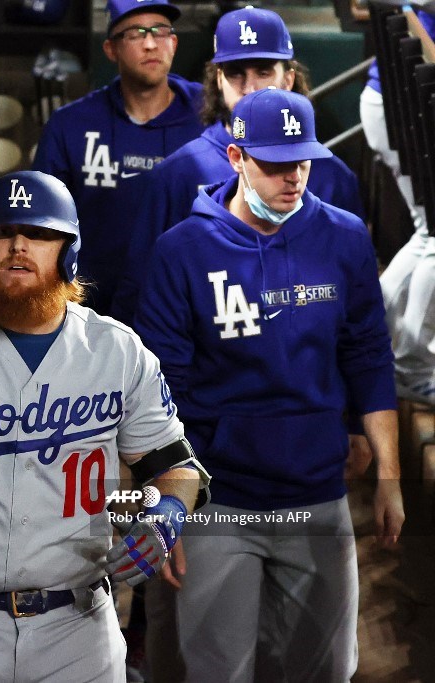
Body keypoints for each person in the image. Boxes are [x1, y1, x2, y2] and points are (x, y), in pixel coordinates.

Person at [0, 170, 207, 682]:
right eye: (2, 233)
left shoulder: (115, 349)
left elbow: (176, 467)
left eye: (38, 234)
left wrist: (165, 515)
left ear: (68, 251)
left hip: (78, 626)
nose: (17, 246)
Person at [134, 88, 404, 681]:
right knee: (218, 673)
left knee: (328, 670)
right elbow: (158, 394)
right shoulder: (182, 250)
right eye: (275, 164)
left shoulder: (345, 236)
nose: (293, 178)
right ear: (235, 157)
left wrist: (388, 475)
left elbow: (368, 355)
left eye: (302, 162)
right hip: (219, 502)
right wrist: (167, 506)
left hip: (317, 495)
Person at [114, 5, 365, 324]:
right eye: (236, 72)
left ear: (288, 78)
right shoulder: (178, 173)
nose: (249, 87)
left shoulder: (332, 176)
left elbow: (356, 295)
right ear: (218, 79)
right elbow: (140, 286)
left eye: (263, 71)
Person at [32, 0, 204, 314]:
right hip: (94, 308)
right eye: (136, 34)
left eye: (160, 31)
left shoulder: (208, 117)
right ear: (111, 49)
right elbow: (43, 224)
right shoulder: (71, 125)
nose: (151, 44)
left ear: (174, 43)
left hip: (188, 304)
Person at [361, 9, 435, 404]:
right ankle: (412, 365)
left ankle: (375, 334)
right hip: (404, 106)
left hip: (401, 102)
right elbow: (408, 18)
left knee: (429, 233)